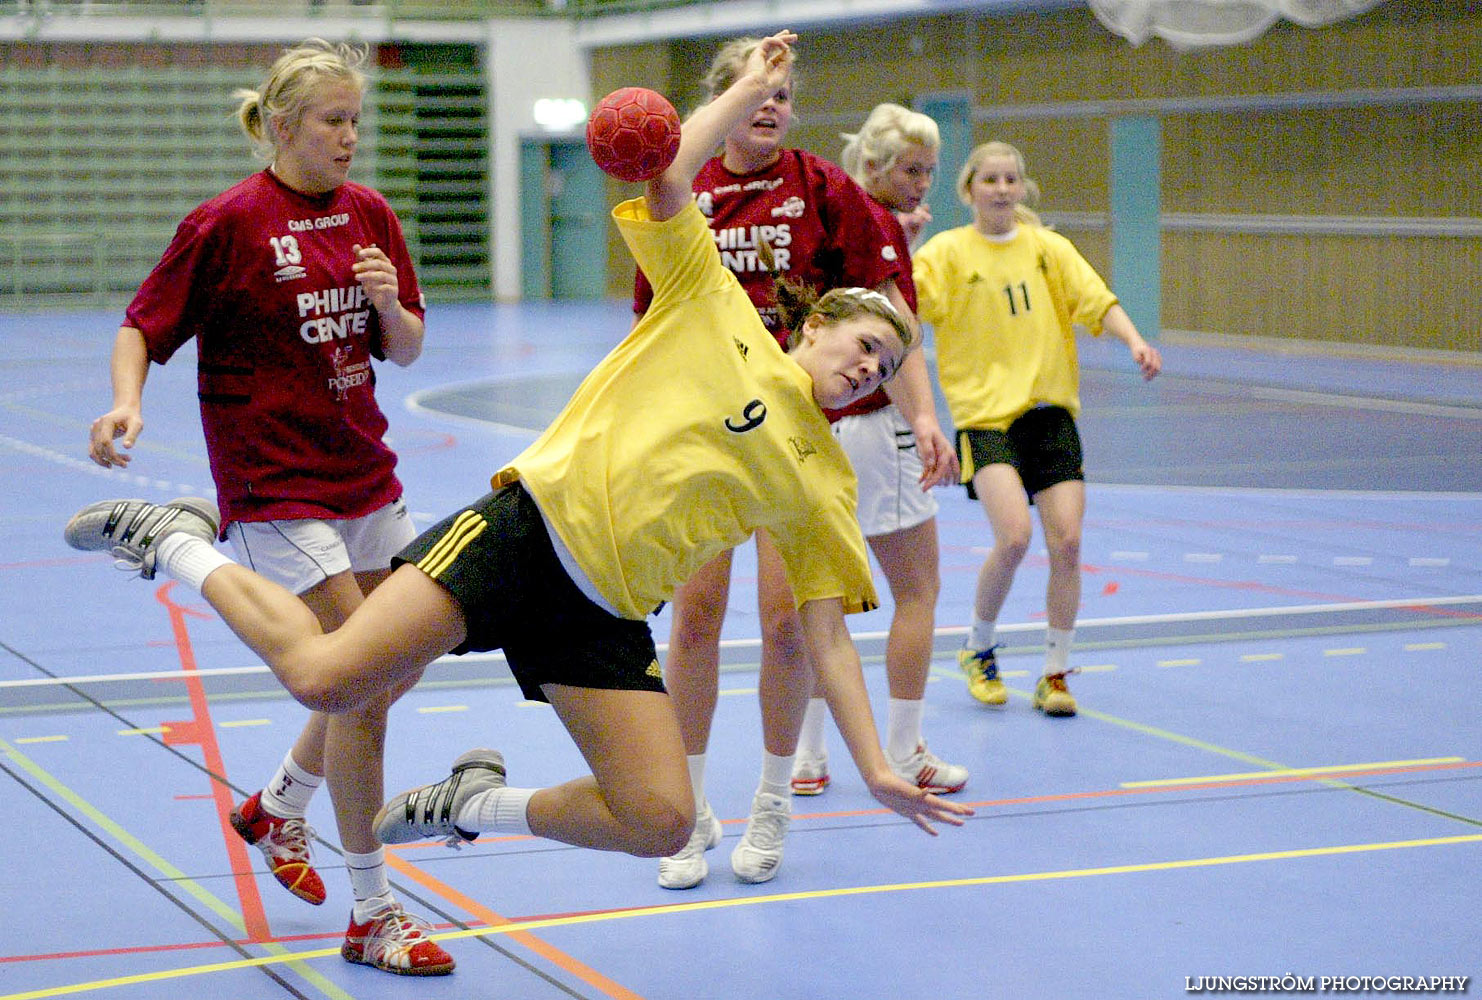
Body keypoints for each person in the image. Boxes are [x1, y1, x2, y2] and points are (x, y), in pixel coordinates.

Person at [65, 28, 973, 932]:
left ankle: (471, 804)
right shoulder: (714, 306)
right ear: (813, 326)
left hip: (604, 611)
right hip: (525, 536)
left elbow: (827, 634)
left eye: (889, 361)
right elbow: (671, 171)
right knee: (330, 679)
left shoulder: (822, 481)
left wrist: (877, 766)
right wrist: (752, 88)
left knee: (660, 819)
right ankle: (175, 542)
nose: (870, 367)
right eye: (864, 343)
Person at [82, 39, 448, 976]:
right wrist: (127, 401)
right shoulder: (230, 222)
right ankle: (374, 912)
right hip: (274, 477)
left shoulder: (369, 214)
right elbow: (143, 322)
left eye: (356, 120)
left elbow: (404, 350)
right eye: (334, 120)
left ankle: (278, 804)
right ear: (283, 126)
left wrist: (388, 307)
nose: (350, 138)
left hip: (364, 468)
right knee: (362, 680)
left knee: (394, 661)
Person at [633, 37, 960, 891]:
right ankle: (688, 809)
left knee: (789, 626)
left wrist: (923, 413)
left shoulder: (825, 189)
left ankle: (773, 802)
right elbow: (653, 325)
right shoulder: (688, 190)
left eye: (784, 94)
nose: (773, 105)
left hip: (799, 441)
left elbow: (888, 314)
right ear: (727, 99)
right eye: (757, 91)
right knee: (695, 622)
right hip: (709, 436)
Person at [912, 140, 1162, 716]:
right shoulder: (947, 254)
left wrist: (1135, 341)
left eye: (1010, 180)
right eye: (990, 179)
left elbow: (1097, 301)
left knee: (1068, 544)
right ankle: (978, 648)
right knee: (1016, 536)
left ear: (1021, 189)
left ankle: (1055, 673)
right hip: (985, 417)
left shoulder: (1049, 250)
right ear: (969, 189)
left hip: (1049, 412)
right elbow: (908, 307)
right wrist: (906, 243)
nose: (1001, 189)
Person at [790, 103, 965, 800]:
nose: (921, 183)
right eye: (910, 169)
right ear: (872, 166)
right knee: (918, 589)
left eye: (930, 172)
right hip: (871, 426)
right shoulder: (874, 222)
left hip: (811, 428)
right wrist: (923, 414)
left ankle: (806, 755)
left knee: (814, 598)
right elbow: (897, 329)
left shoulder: (833, 215)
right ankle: (904, 746)